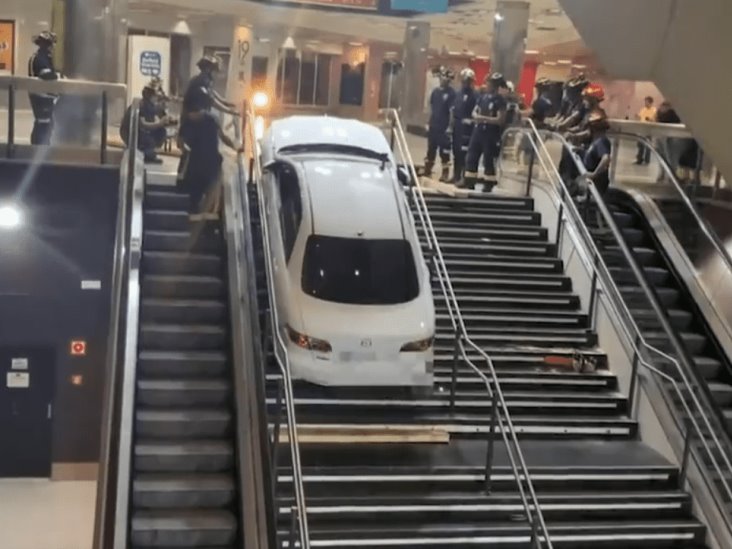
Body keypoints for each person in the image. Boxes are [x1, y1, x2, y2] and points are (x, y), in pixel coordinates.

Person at [177, 55, 242, 222]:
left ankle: (198, 204)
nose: (216, 73)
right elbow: (212, 101)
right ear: (209, 69)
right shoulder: (200, 85)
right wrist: (230, 112)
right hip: (196, 132)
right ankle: (195, 206)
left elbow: (215, 97)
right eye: (214, 70)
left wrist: (229, 105)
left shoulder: (203, 82)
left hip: (198, 134)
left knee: (202, 165)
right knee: (202, 168)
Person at [461, 72, 508, 191]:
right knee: (471, 156)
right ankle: (469, 181)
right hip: (478, 132)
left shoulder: (500, 100)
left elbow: (500, 120)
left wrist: (484, 119)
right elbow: (474, 111)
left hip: (491, 134)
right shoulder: (482, 97)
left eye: (489, 83)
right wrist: (476, 116)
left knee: (488, 159)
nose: (487, 85)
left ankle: (488, 184)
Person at [120, 83, 177, 163]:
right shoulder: (142, 105)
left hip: (140, 131)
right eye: (155, 96)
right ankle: (144, 152)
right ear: (150, 96)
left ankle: (148, 152)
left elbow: (159, 118)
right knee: (148, 139)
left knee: (161, 132)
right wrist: (159, 124)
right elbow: (143, 124)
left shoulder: (152, 106)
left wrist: (167, 121)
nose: (157, 99)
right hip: (130, 131)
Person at [27, 31, 60, 145]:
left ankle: (39, 146)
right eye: (52, 44)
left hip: (42, 95)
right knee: (43, 123)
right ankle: (39, 147)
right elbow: (46, 75)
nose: (53, 47)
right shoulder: (41, 57)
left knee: (44, 123)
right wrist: (60, 76)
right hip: (41, 96)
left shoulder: (41, 56)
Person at [425, 66, 456, 181]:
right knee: (431, 149)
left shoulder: (452, 94)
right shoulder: (435, 92)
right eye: (442, 78)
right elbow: (431, 108)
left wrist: (450, 127)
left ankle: (445, 173)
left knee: (445, 151)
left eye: (446, 79)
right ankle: (427, 169)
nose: (443, 80)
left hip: (444, 127)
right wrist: (428, 122)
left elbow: (452, 111)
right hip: (434, 125)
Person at [450, 68, 478, 184]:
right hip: (457, 127)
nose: (465, 83)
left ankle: (464, 176)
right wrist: (451, 126)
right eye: (464, 80)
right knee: (456, 151)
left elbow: (477, 111)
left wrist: (471, 120)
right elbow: (453, 110)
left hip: (468, 129)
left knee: (465, 153)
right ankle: (455, 175)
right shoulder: (458, 94)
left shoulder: (475, 95)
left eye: (468, 81)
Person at [634, 96, 657, 165]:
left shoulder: (654, 110)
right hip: (641, 129)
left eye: (646, 102)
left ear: (650, 103)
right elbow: (641, 117)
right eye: (645, 101)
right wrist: (637, 116)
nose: (645, 103)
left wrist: (650, 120)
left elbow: (653, 119)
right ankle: (639, 159)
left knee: (647, 145)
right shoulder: (643, 109)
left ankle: (647, 160)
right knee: (640, 144)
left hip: (648, 130)